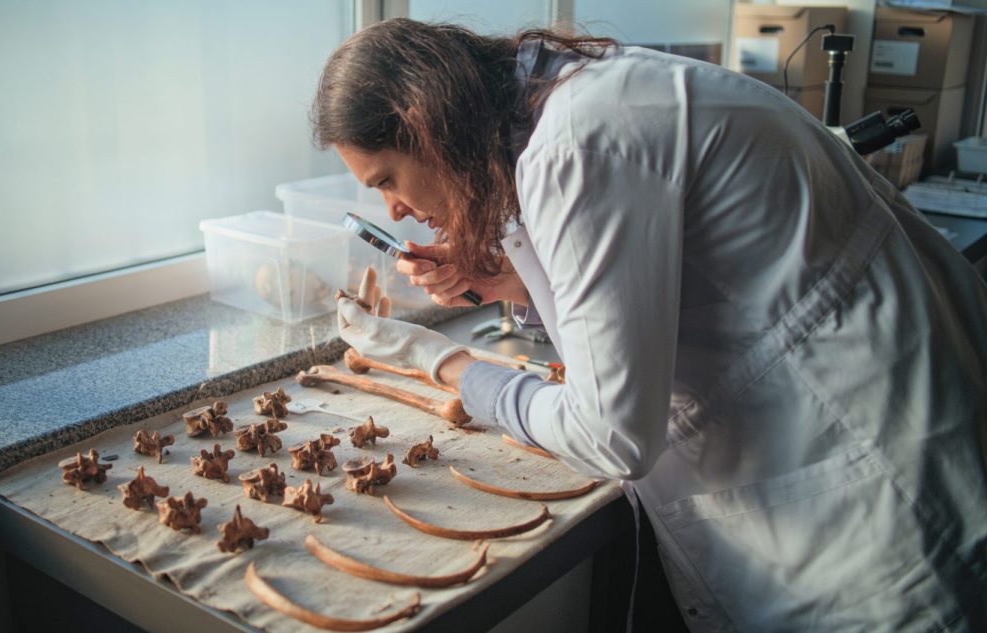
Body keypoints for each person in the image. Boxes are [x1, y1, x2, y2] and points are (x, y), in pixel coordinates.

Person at [312, 18, 987, 632]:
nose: (394, 210)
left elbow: (609, 435)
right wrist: (506, 283)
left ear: (424, 125)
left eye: (386, 179)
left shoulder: (573, 146)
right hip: (852, 411)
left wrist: (447, 365)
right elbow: (662, 280)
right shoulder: (568, 103)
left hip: (867, 467)